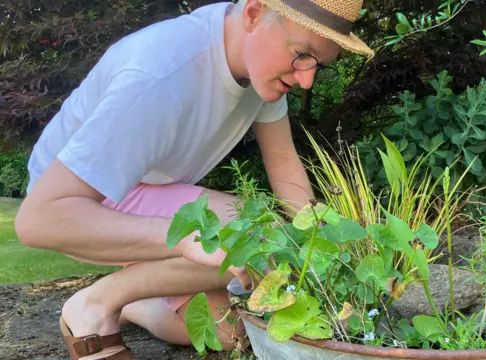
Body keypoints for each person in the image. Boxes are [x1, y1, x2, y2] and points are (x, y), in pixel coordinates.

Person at [15, 0, 374, 358]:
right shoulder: (160, 73)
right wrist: (188, 240)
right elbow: (39, 220)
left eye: (318, 65)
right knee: (253, 232)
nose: (307, 79)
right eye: (301, 54)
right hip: (78, 199)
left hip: (147, 188)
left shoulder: (261, 63)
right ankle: (98, 303)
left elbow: (284, 166)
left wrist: (324, 243)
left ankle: (136, 304)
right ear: (252, 14)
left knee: (232, 331)